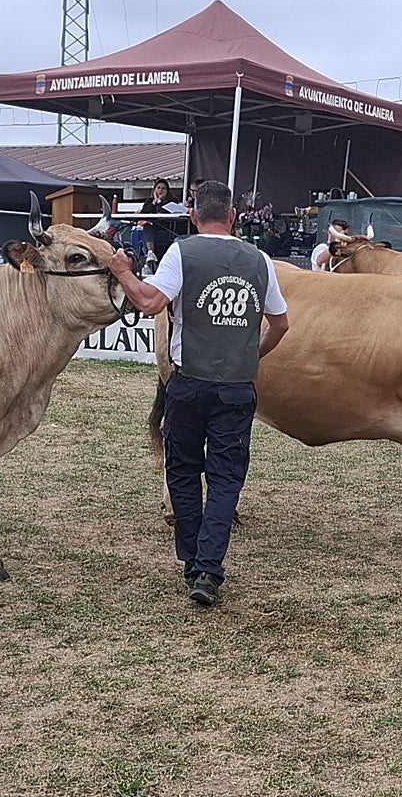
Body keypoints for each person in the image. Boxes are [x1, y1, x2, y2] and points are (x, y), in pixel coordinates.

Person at [108, 180, 289, 607]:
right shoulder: (260, 260)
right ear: (233, 217)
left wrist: (122, 272)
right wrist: (251, 354)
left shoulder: (181, 253)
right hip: (237, 387)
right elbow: (280, 324)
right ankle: (209, 568)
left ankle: (193, 561)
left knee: (184, 471)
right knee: (226, 479)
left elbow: (150, 303)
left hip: (188, 382)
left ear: (192, 215)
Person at [138, 179, 179, 269]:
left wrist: (160, 202)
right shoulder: (150, 201)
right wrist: (154, 202)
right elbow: (143, 212)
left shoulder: (173, 201)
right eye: (158, 188)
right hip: (152, 229)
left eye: (163, 188)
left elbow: (167, 212)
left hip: (167, 229)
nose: (161, 190)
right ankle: (150, 253)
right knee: (147, 227)